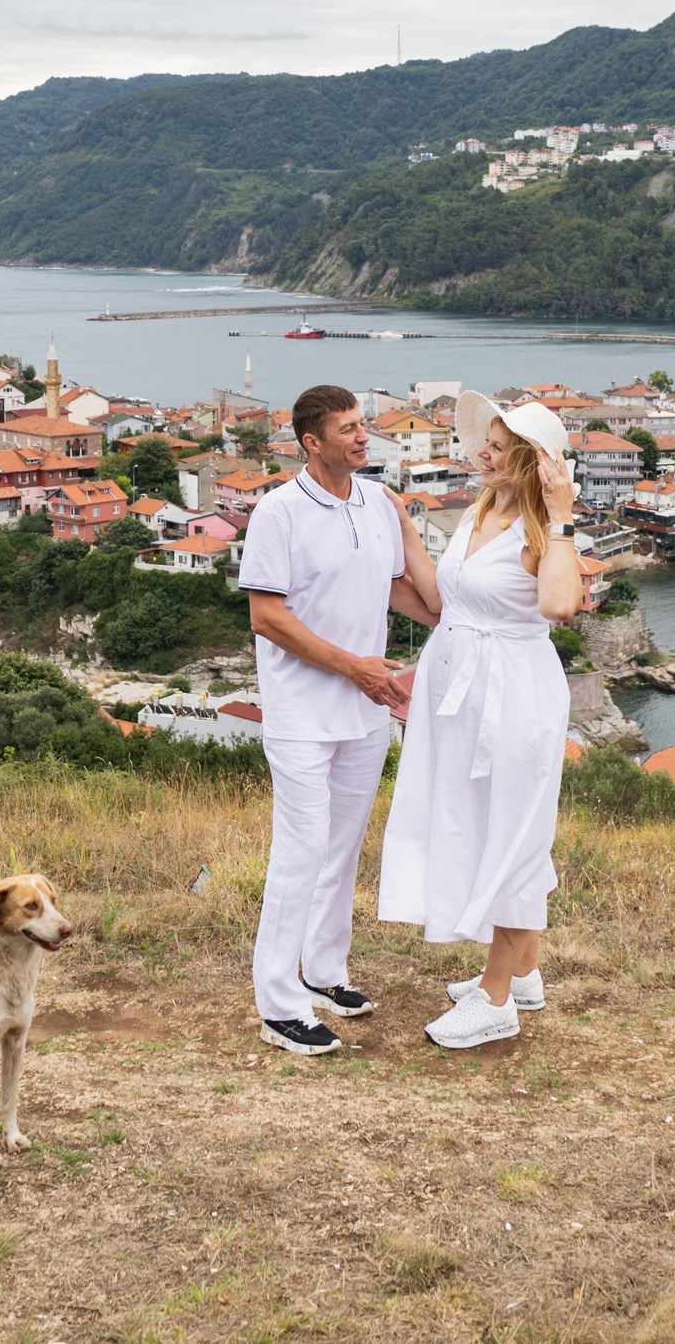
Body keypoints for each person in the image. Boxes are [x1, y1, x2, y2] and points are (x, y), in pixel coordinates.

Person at [377, 392, 584, 1049]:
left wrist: (564, 515)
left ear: (527, 460)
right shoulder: (481, 508)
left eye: (496, 447)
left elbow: (558, 604)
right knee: (479, 821)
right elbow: (446, 597)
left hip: (516, 696)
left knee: (517, 834)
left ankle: (496, 1001)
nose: (481, 454)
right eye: (485, 443)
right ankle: (522, 974)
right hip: (461, 696)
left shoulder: (540, 528)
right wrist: (401, 530)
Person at [235, 384, 429, 1055]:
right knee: (299, 854)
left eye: (362, 425)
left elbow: (396, 589)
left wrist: (479, 626)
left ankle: (322, 971)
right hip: (302, 714)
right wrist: (356, 667)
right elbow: (267, 617)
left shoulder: (377, 504)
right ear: (310, 442)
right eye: (347, 429)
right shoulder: (278, 513)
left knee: (343, 849)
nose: (361, 437)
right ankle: (278, 1004)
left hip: (365, 711)